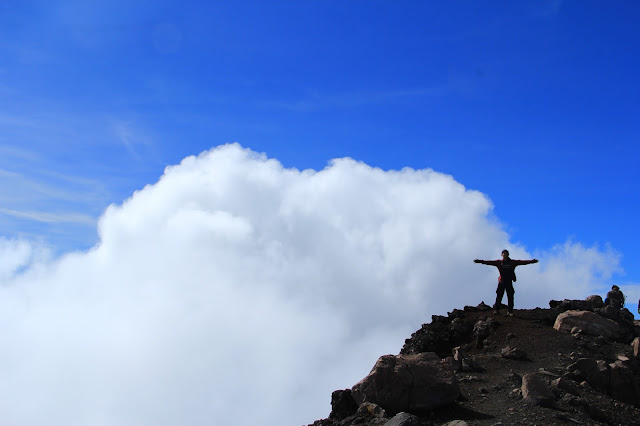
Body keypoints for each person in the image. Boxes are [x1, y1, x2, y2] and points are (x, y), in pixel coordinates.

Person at [474, 250, 539, 316]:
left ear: (508, 254)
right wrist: (480, 261)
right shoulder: (499, 262)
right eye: (504, 253)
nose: (505, 254)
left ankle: (510, 311)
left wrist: (531, 261)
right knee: (499, 296)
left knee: (510, 296)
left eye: (506, 253)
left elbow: (522, 262)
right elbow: (489, 262)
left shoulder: (512, 262)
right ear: (501, 255)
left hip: (509, 281)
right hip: (502, 281)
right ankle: (496, 310)